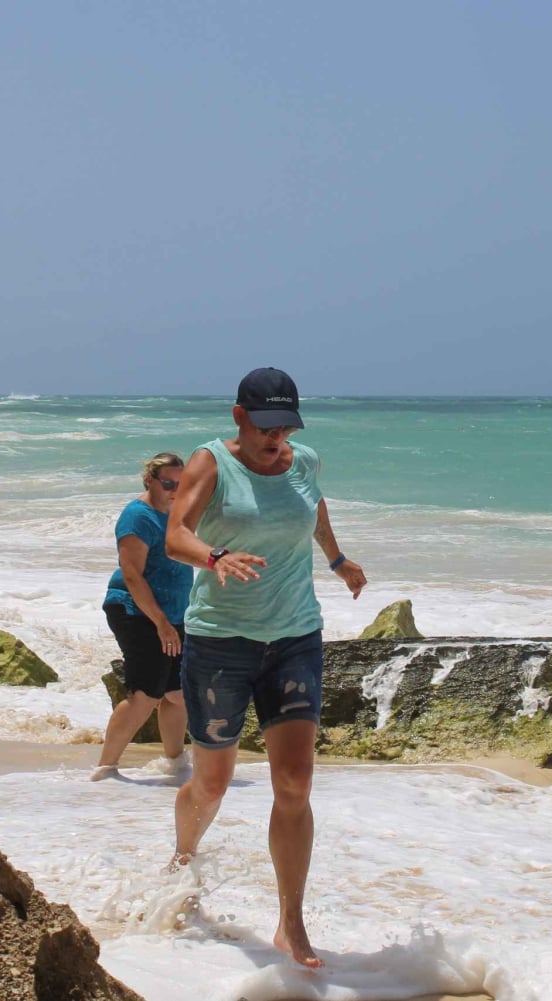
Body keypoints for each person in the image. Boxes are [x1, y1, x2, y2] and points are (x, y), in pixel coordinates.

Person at [165, 367, 367, 968]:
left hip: (295, 637)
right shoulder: (211, 463)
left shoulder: (303, 460)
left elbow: (315, 509)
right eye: (265, 425)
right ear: (239, 417)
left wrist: (337, 559)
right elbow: (177, 535)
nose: (275, 437)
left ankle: (291, 922)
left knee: (296, 783)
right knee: (213, 782)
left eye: (286, 425)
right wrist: (215, 557)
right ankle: (181, 860)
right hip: (220, 644)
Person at [92, 452, 194, 780]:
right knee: (145, 694)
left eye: (182, 484)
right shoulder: (137, 517)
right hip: (136, 611)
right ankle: (106, 768)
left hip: (173, 614)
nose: (175, 489)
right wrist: (161, 624)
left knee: (179, 695)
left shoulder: (177, 513)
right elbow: (132, 575)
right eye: (168, 483)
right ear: (150, 480)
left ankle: (175, 765)